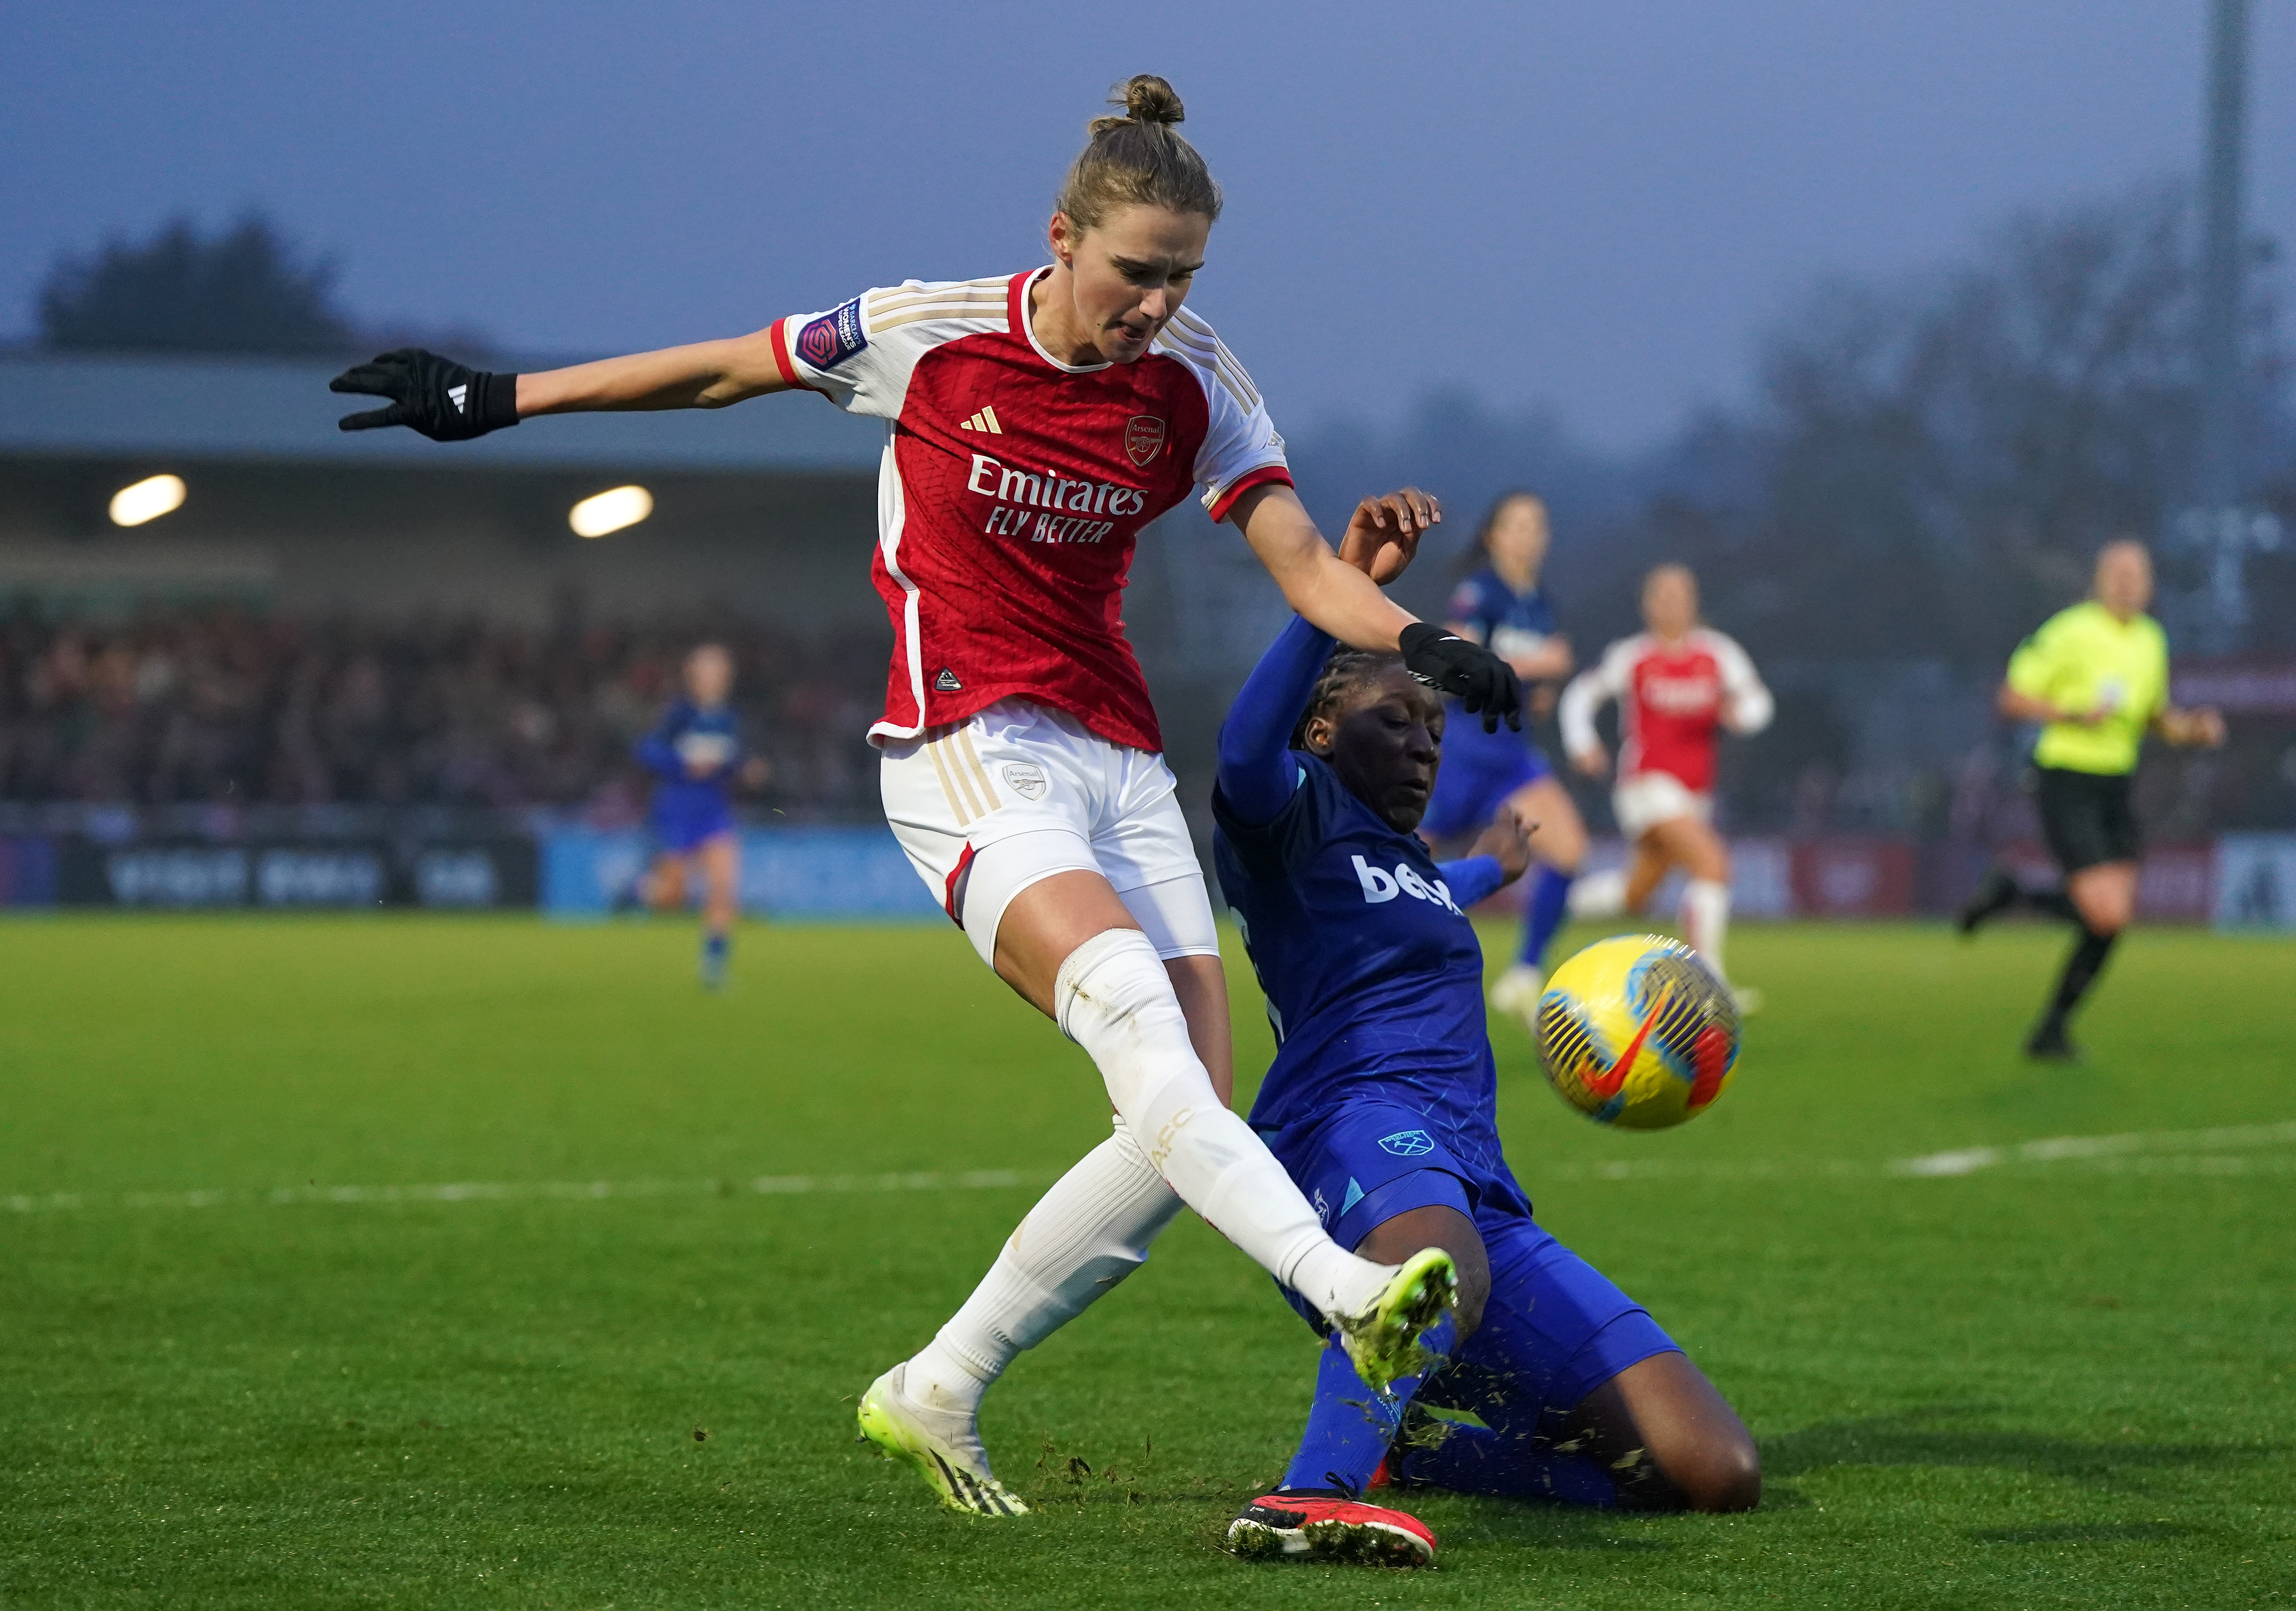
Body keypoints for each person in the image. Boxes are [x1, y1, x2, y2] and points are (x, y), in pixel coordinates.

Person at [330, 75, 1520, 1517]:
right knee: (1138, 1031)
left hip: (1116, 755)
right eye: (1135, 271)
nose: (1154, 303)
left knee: (1193, 1111)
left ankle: (938, 1384)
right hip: (966, 739)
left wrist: (1426, 642)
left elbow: (1300, 559)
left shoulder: (1197, 378)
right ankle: (1345, 1286)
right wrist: (500, 398)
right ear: (1062, 238)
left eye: (1181, 276)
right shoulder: (931, 331)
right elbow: (727, 365)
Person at [1211, 529, 1760, 1567]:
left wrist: (1489, 872)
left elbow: (1426, 896)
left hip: (1480, 1188)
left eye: (1435, 729)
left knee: (1710, 1470)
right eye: (1398, 721)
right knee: (1437, 1264)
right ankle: (1312, 1493)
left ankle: (1424, 1454)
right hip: (1352, 1137)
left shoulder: (1413, 871)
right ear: (1321, 730)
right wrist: (1335, 599)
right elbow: (1243, 750)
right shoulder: (1288, 824)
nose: (1428, 745)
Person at [1956, 540, 2225, 1060]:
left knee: (2112, 920)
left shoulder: (2151, 639)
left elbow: (2154, 714)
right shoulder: (2070, 631)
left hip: (2116, 786)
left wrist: (2191, 729)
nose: (2128, 583)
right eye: (2118, 573)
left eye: (2137, 575)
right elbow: (2011, 698)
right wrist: (2070, 713)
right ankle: (2017, 906)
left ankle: (2049, 1026)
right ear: (2100, 580)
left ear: (2149, 585)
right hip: (2066, 777)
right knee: (2101, 915)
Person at [1558, 565, 1771, 1011]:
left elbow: (1758, 702)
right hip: (1645, 785)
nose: (1673, 602)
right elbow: (1580, 695)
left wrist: (1742, 715)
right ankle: (1709, 984)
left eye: (1682, 594)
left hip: (1696, 793)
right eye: (1664, 594)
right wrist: (1583, 743)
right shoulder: (1631, 656)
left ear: (1695, 601)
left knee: (1637, 894)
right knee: (1712, 864)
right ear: (1648, 604)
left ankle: (1560, 900)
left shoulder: (1719, 653)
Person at [1419, 491, 1588, 1032]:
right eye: (1516, 525)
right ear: (1492, 536)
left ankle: (1524, 972)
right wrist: (1541, 663)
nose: (1528, 534)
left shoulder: (1540, 601)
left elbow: (1531, 686)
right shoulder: (1479, 592)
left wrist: (1542, 689)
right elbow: (1456, 665)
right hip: (1463, 751)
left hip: (1511, 755)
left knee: (1569, 849)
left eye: (1537, 524)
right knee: (1408, 868)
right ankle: (1382, 974)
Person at [630, 643, 767, 989]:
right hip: (677, 807)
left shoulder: (730, 718)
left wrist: (746, 769)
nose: (715, 676)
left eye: (719, 670)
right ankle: (639, 892)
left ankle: (714, 966)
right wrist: (683, 765)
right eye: (708, 670)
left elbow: (730, 759)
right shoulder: (678, 714)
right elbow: (646, 750)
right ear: (694, 676)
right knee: (671, 898)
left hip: (714, 809)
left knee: (723, 887)